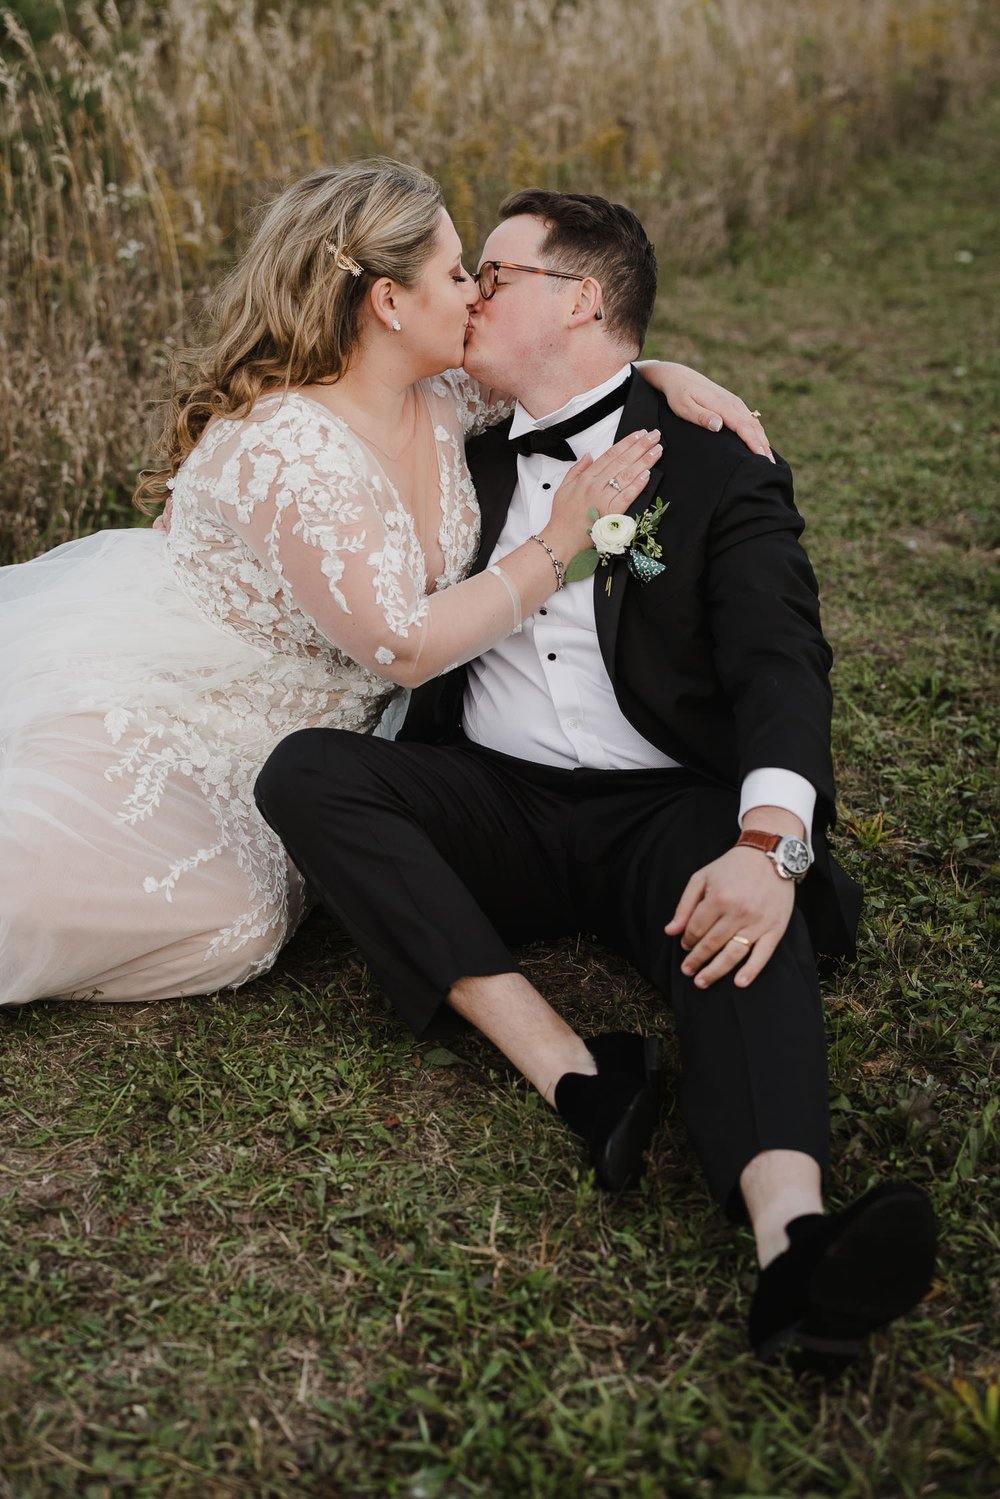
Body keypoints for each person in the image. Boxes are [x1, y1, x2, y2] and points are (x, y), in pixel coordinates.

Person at [254, 189, 938, 1371]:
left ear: (579, 298)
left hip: (659, 807)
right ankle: (575, 1068)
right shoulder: (454, 442)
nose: (470, 292)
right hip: (495, 799)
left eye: (497, 273)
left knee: (738, 905)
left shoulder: (717, 468)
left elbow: (782, 665)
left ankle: (797, 1244)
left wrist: (771, 840)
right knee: (311, 773)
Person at [0, 160, 763, 1009]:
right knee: (139, 904)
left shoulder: (439, 393)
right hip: (182, 702)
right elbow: (404, 647)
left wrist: (655, 372)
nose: (476, 292)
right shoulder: (290, 445)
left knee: (245, 921)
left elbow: (560, 373)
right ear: (390, 302)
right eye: (457, 272)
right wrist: (556, 546)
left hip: (311, 732)